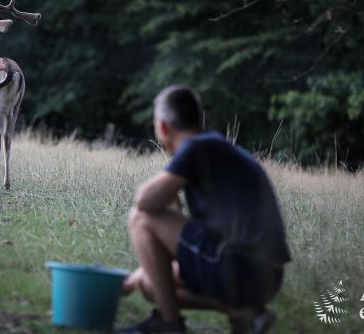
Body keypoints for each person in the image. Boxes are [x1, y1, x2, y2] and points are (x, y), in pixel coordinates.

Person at [118, 85, 291, 334]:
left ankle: (169, 326)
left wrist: (165, 196)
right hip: (266, 277)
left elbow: (144, 201)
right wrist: (139, 273)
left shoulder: (197, 146)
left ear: (164, 127)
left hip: (243, 269)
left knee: (141, 219)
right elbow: (198, 238)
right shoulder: (214, 146)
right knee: (150, 284)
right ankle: (245, 315)